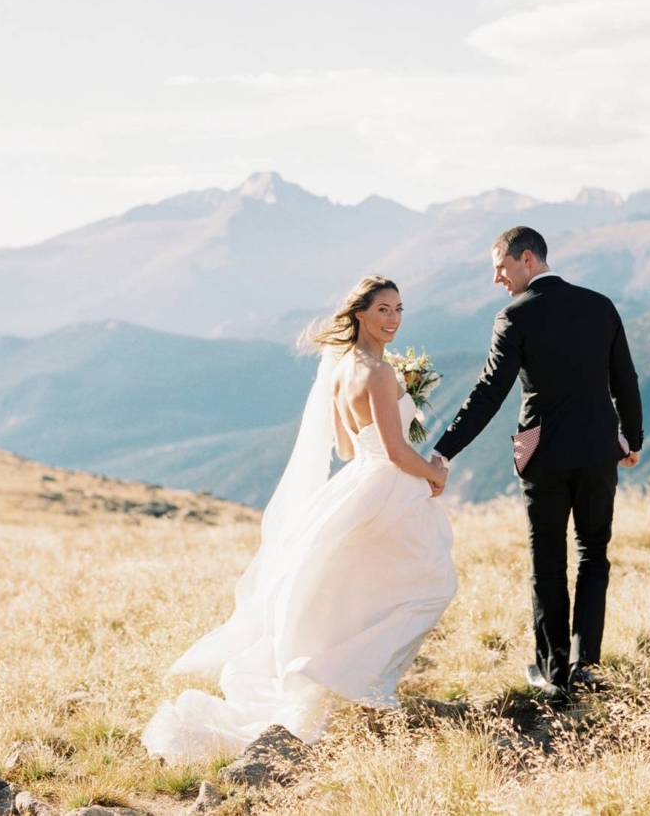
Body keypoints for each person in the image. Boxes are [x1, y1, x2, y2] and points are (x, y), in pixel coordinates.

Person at [142, 275, 456, 759]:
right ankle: (364, 684)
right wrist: (433, 472)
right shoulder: (380, 373)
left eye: (398, 310)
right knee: (429, 586)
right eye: (383, 311)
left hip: (358, 484)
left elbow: (349, 446)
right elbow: (394, 449)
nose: (393, 319)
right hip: (389, 486)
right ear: (360, 316)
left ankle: (359, 681)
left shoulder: (343, 370)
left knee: (360, 591)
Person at [431, 226, 643, 699]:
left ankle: (552, 672)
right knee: (593, 554)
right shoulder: (600, 306)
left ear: (527, 259)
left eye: (500, 268)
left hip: (540, 453)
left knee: (547, 561)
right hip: (596, 450)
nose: (497, 279)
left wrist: (445, 448)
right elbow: (624, 378)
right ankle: (585, 666)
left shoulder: (514, 317)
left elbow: (489, 393)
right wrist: (632, 438)